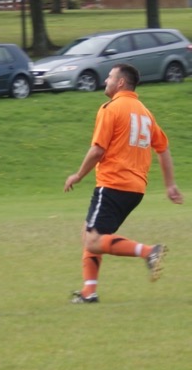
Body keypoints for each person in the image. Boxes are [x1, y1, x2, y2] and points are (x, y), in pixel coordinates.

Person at [64, 63, 183, 304]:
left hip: (113, 183)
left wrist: (78, 175)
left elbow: (98, 150)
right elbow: (163, 147)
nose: (105, 80)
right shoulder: (144, 113)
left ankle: (149, 252)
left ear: (120, 83)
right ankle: (89, 291)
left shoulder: (111, 108)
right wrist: (170, 185)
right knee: (90, 232)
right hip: (135, 189)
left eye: (109, 77)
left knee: (93, 240)